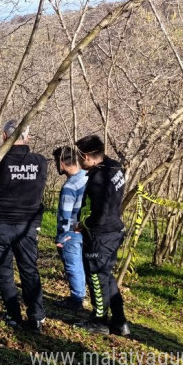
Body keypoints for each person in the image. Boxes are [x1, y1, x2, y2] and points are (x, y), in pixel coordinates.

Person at [0, 119, 48, 333]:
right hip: (27, 226)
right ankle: (37, 316)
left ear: (4, 136)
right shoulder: (40, 162)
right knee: (29, 270)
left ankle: (13, 315)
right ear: (27, 137)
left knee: (4, 272)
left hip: (0, 224)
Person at [74, 134, 130, 336]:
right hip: (114, 230)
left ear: (87, 156)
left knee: (97, 278)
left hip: (102, 235)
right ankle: (120, 321)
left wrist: (83, 224)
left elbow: (100, 213)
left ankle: (99, 321)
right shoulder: (114, 166)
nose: (78, 161)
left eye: (79, 156)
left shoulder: (99, 179)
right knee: (106, 276)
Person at [52, 146, 88, 311]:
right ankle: (81, 296)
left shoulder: (69, 187)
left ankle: (76, 299)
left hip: (72, 232)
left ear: (62, 163)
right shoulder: (87, 177)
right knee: (81, 265)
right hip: (86, 229)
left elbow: (65, 216)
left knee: (73, 265)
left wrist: (62, 236)